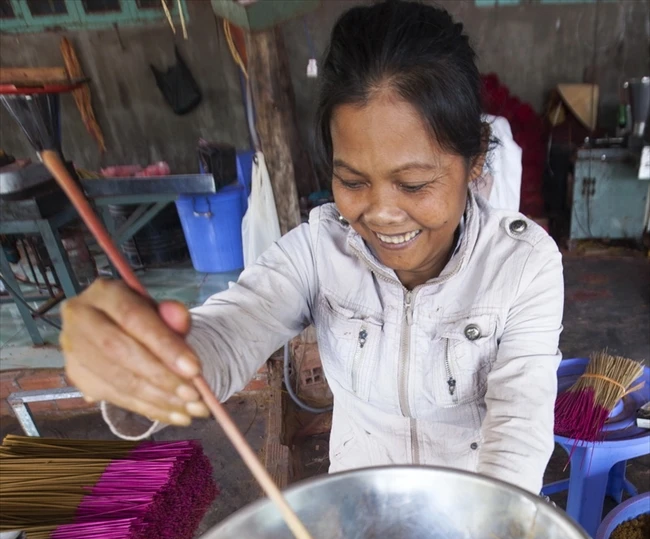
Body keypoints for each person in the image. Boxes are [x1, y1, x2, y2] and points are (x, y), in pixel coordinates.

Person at [61, 0, 563, 495]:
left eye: (413, 184)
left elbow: (518, 428)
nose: (381, 213)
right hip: (359, 518)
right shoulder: (318, 252)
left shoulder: (523, 265)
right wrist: (148, 359)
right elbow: (230, 332)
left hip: (475, 521)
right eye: (352, 181)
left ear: (474, 161)